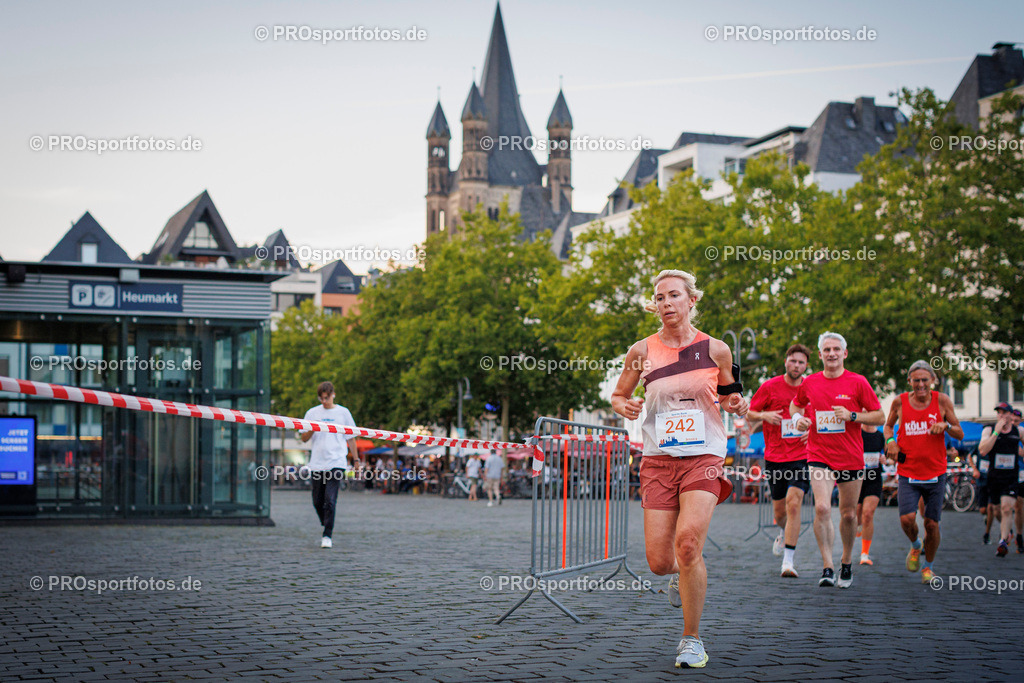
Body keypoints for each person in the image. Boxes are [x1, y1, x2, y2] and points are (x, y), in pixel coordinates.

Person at [610, 269, 748, 669]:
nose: (666, 303)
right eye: (659, 297)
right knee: (659, 560)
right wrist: (626, 406)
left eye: (673, 295)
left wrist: (737, 403)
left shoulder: (716, 349)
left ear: (692, 300)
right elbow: (619, 395)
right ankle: (681, 574)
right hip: (657, 459)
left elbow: (730, 395)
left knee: (688, 545)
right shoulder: (641, 350)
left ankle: (691, 639)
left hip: (704, 454)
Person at [790, 332, 884, 589]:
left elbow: (879, 416)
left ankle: (846, 561)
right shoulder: (810, 382)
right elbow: (795, 405)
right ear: (820, 355)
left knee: (848, 514)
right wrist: (798, 420)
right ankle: (827, 566)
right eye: (826, 350)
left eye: (836, 349)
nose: (831, 354)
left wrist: (853, 416)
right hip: (818, 454)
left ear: (845, 353)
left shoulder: (858, 382)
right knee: (821, 508)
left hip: (851, 458)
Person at [883, 361, 963, 582]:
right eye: (916, 380)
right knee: (907, 520)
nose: (920, 384)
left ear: (933, 381)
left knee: (931, 524)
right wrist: (890, 440)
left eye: (925, 380)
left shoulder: (942, 401)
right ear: (909, 381)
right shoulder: (899, 401)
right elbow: (888, 425)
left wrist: (945, 425)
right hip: (908, 472)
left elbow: (960, 433)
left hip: (936, 473)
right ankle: (916, 545)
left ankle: (928, 567)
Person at [747, 344, 812, 578]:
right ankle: (784, 533)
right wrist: (764, 415)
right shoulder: (770, 386)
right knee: (780, 510)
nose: (796, 366)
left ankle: (788, 561)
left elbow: (818, 417)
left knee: (794, 503)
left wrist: (811, 430)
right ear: (786, 361)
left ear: (806, 366)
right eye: (793, 361)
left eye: (801, 362)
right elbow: (749, 412)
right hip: (775, 456)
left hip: (802, 455)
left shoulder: (810, 387)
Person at [299, 381, 358, 549]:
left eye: (327, 397)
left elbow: (351, 438)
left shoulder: (343, 413)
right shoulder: (312, 413)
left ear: (333, 394)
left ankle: (327, 534)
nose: (324, 401)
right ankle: (325, 521)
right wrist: (313, 428)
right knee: (317, 501)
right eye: (321, 398)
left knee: (330, 500)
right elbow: (303, 438)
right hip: (317, 464)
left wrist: (356, 460)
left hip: (336, 462)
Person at [978, 402, 1024, 557]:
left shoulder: (1019, 431)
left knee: (1007, 508)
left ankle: (1003, 541)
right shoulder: (989, 430)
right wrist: (996, 434)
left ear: (1012, 416)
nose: (1002, 416)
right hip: (994, 477)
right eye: (999, 413)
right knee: (996, 510)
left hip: (1011, 478)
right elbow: (983, 450)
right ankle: (1007, 530)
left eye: (1005, 413)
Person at [856, 424, 886, 566]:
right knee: (855, 515)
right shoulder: (856, 432)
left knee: (868, 514)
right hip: (856, 478)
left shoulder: (880, 436)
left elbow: (890, 457)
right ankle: (857, 525)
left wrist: (885, 459)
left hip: (874, 478)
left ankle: (865, 554)